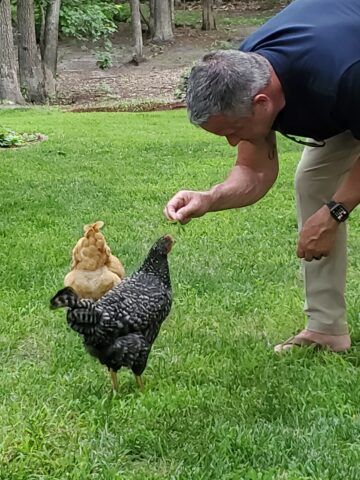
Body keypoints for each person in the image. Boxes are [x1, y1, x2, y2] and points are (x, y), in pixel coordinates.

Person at [163, 0, 360, 352]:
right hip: (343, 102)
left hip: (349, 73)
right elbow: (255, 170)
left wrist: (335, 212)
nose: (232, 142)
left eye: (234, 130)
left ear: (262, 103)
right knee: (313, 181)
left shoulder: (342, 74)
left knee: (331, 200)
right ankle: (326, 329)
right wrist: (209, 199)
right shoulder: (245, 69)